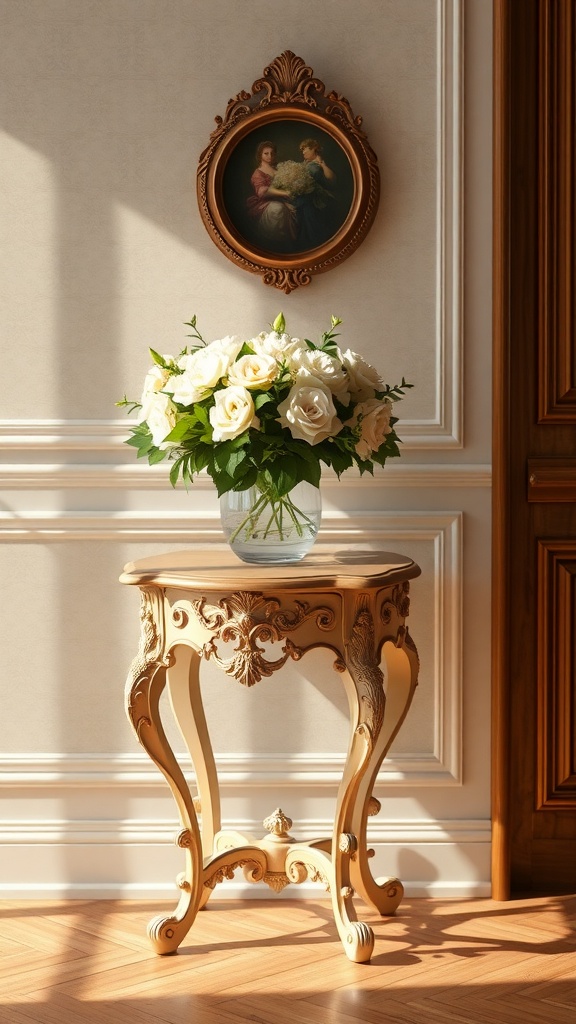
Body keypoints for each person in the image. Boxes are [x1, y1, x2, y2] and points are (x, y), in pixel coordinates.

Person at [245, 141, 296, 249]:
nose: (270, 156)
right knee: (277, 208)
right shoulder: (258, 173)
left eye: (272, 153)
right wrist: (283, 192)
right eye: (266, 153)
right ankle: (275, 244)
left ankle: (290, 245)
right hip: (265, 203)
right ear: (260, 155)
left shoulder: (278, 169)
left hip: (283, 200)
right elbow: (262, 192)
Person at [294, 138, 337, 249]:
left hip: (313, 198)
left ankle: (309, 244)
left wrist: (322, 164)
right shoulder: (307, 163)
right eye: (302, 150)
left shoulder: (316, 166)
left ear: (314, 149)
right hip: (304, 196)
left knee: (304, 211)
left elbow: (331, 180)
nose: (303, 152)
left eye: (305, 149)